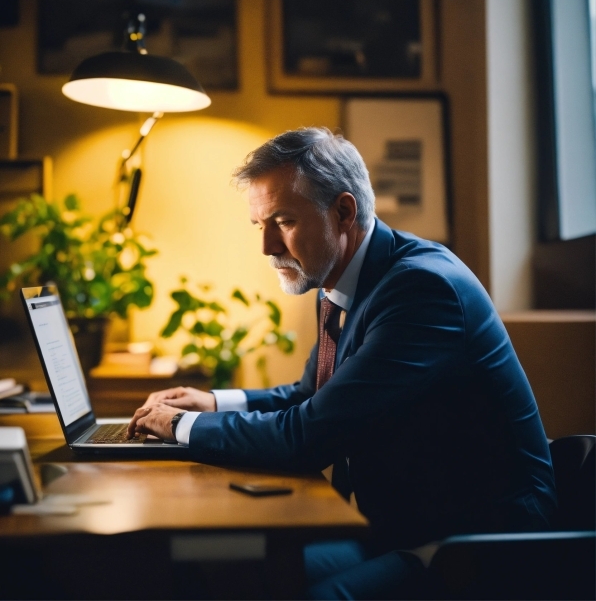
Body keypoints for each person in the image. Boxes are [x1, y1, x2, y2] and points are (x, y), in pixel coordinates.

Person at [127, 127, 556, 599]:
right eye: (260, 225)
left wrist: (181, 426)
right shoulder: (341, 281)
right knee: (232, 571)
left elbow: (308, 435)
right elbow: (312, 396)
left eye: (283, 222)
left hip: (477, 543)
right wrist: (210, 402)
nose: (267, 247)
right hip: (399, 524)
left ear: (344, 211)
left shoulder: (421, 291)